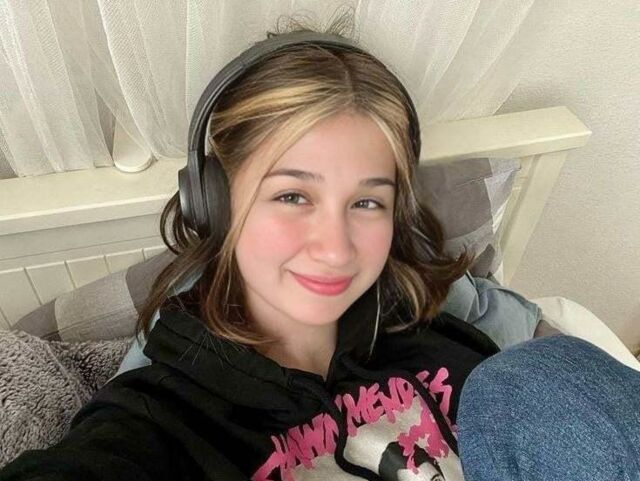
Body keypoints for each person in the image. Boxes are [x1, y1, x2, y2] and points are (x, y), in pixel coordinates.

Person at [2, 13, 639, 481]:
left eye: (367, 202)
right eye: (292, 195)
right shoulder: (164, 413)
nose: (336, 250)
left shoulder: (443, 320)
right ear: (215, 203)